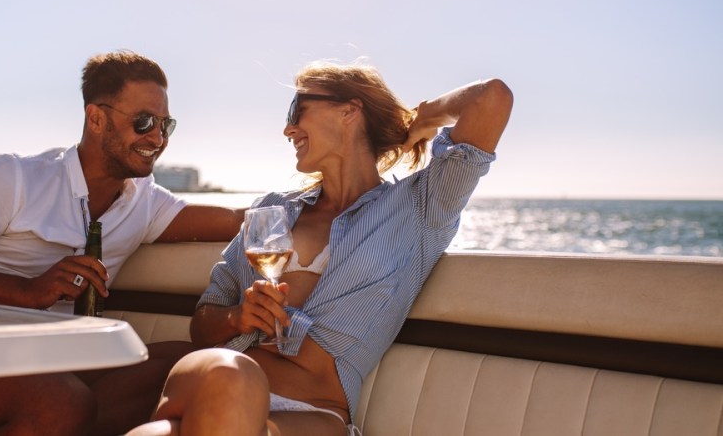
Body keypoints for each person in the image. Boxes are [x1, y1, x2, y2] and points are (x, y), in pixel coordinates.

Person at [127, 62, 514, 435]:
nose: (288, 128)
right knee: (230, 375)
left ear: (349, 111)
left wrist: (425, 118)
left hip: (313, 414)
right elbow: (202, 324)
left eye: (297, 110)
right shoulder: (272, 210)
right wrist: (237, 318)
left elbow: (491, 98)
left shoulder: (418, 207)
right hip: (216, 381)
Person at [0, 50, 244, 435]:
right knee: (64, 405)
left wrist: (298, 203)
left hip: (50, 363)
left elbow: (237, 219)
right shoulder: (13, 178)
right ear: (96, 118)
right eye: (143, 122)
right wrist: (28, 291)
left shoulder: (145, 202)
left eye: (165, 124)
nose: (157, 138)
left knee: (191, 366)